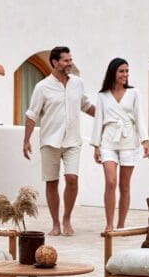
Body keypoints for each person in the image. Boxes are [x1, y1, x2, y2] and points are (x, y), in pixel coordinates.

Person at [23, 46, 95, 236]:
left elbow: (86, 106)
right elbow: (32, 114)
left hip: (72, 141)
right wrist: (26, 140)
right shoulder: (42, 87)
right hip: (49, 141)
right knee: (52, 183)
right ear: (55, 62)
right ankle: (55, 223)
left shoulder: (78, 83)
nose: (70, 63)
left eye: (71, 60)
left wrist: (107, 115)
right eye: (66, 60)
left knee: (72, 179)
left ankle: (67, 219)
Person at [90, 58, 149, 232]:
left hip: (129, 141)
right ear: (113, 73)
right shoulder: (102, 96)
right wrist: (96, 145)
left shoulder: (134, 93)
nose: (125, 74)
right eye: (121, 71)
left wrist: (144, 140)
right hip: (108, 141)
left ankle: (121, 225)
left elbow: (139, 117)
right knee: (110, 182)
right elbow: (98, 120)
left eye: (127, 71)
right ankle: (109, 224)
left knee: (124, 185)